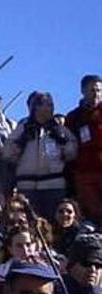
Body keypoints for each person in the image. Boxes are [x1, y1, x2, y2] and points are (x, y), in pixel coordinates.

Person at [4, 92, 78, 219]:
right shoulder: (22, 128)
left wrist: (61, 141)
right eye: (45, 105)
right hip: (27, 186)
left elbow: (72, 153)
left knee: (54, 222)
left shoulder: (59, 129)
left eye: (51, 105)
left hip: (54, 185)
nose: (49, 108)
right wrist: (21, 142)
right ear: (35, 108)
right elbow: (8, 154)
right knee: (31, 222)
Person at [66, 74, 102, 224]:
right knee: (92, 216)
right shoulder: (74, 117)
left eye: (99, 90)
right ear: (83, 91)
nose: (96, 94)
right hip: (85, 174)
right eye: (92, 90)